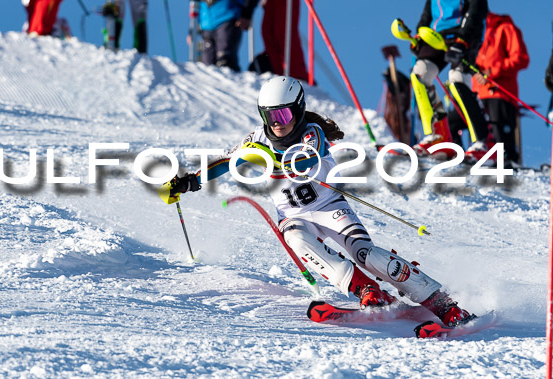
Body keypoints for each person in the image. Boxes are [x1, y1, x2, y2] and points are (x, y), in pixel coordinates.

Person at [165, 76, 475, 327]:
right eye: (269, 116)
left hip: (330, 208)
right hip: (293, 216)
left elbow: (302, 161)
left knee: (367, 254)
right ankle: (367, 291)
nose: (277, 123)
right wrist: (190, 181)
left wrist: (272, 159)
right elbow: (226, 161)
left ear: (298, 110)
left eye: (283, 114)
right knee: (297, 239)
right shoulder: (257, 141)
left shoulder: (311, 132)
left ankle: (444, 305)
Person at [410, 0, 489, 162]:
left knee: (457, 80)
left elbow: (477, 3)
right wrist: (421, 31)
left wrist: (464, 40)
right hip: (437, 33)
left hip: (464, 31)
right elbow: (429, 1)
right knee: (421, 74)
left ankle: (481, 144)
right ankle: (437, 137)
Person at [448, 13, 529, 167]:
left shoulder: (505, 28)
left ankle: (509, 163)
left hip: (500, 93)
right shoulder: (474, 36)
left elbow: (521, 58)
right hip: (478, 94)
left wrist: (491, 72)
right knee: (453, 122)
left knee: (501, 135)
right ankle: (459, 159)